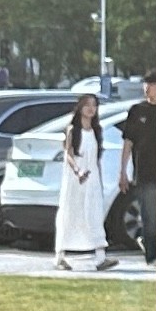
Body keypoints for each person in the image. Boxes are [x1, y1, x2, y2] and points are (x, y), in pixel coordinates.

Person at [53, 92, 115, 273]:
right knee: (70, 214)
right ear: (80, 107)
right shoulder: (73, 130)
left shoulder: (97, 130)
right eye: (87, 105)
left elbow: (96, 158)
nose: (91, 109)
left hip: (92, 179)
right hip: (75, 180)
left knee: (94, 214)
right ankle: (60, 255)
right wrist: (77, 171)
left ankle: (100, 256)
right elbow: (69, 154)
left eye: (94, 105)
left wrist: (99, 180)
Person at [117, 70, 156, 266]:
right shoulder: (137, 111)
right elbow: (128, 142)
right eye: (146, 84)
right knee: (149, 216)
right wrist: (123, 171)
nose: (147, 88)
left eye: (152, 84)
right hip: (145, 173)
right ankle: (152, 256)